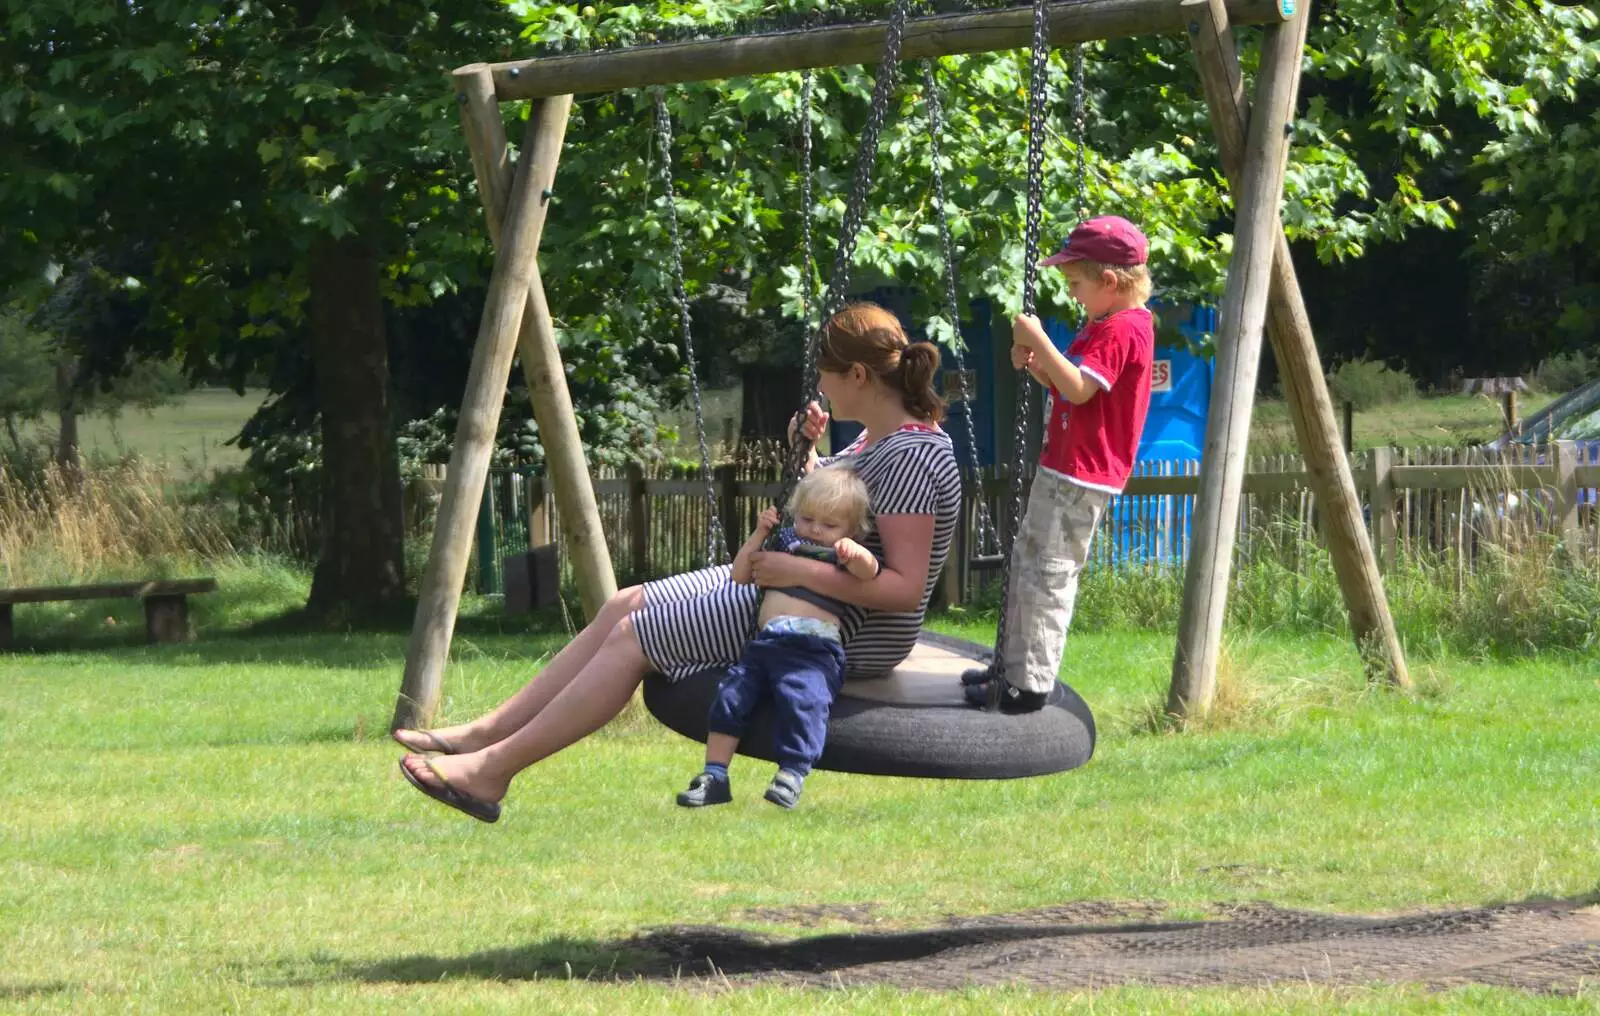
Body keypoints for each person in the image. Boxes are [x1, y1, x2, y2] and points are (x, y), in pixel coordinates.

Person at [395, 302, 962, 823]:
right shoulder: (873, 440)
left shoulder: (911, 455)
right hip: (802, 588)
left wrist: (796, 572)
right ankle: (486, 732)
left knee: (633, 635)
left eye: (825, 373)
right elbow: (835, 515)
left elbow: (905, 590)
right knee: (626, 601)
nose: (819, 385)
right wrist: (807, 457)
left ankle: (492, 772)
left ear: (858, 376)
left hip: (843, 625)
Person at [963, 215, 1156, 713]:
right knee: (1027, 565)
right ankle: (1008, 668)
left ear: (1109, 282)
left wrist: (1042, 341)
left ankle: (1029, 686)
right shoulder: (1101, 325)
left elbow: (1079, 387)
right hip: (1063, 466)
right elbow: (1067, 389)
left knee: (1049, 573)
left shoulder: (1124, 329)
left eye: (1076, 284)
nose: (1072, 294)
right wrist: (1036, 364)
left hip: (1083, 475)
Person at [676, 465, 880, 810]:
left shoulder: (842, 555)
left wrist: (855, 553)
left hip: (814, 651)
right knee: (730, 696)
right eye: (807, 518)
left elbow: (870, 572)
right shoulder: (784, 543)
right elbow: (741, 575)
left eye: (829, 525)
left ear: (851, 530)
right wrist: (758, 535)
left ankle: (792, 773)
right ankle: (714, 776)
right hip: (766, 646)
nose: (815, 530)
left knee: (805, 701)